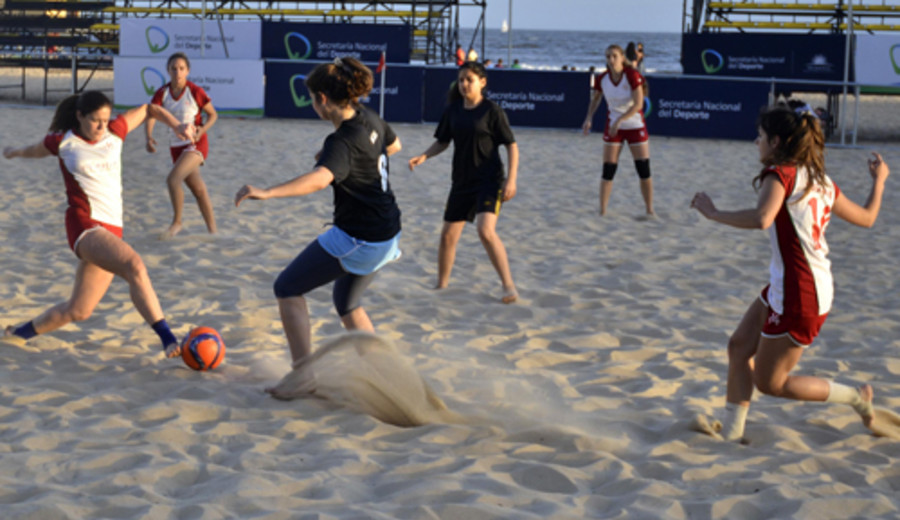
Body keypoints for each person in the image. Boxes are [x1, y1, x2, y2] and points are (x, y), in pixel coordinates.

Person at [690, 105, 890, 442]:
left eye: (762, 137)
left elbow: (761, 218)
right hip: (796, 284)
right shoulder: (821, 180)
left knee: (772, 383)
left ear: (778, 141)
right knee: (739, 347)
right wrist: (879, 181)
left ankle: (857, 398)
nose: (757, 142)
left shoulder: (779, 174)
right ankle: (732, 435)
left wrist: (713, 213)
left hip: (801, 293)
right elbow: (868, 217)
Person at [234, 57, 403, 395]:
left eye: (312, 98)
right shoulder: (369, 116)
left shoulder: (340, 142)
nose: (312, 104)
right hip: (389, 231)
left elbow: (318, 181)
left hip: (362, 238)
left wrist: (267, 192)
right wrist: (347, 160)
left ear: (323, 99)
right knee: (347, 302)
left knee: (286, 287)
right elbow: (393, 146)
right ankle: (387, 375)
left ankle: (303, 376)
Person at [2, 91, 193, 357]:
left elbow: (150, 108)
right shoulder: (63, 142)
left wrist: (176, 125)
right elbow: (33, 150)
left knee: (79, 310)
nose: (102, 127)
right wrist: (12, 152)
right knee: (134, 265)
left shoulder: (115, 131)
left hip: (111, 230)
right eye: (95, 121)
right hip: (84, 226)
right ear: (79, 116)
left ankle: (18, 334)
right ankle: (168, 338)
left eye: (105, 119)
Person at [408, 61, 520, 303]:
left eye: (469, 79)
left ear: (482, 82)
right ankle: (441, 285)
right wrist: (424, 156)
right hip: (461, 181)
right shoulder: (453, 110)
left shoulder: (492, 110)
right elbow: (443, 141)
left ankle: (508, 285)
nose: (464, 84)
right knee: (448, 235)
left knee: (485, 231)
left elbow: (511, 145)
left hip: (489, 180)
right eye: (461, 80)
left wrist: (511, 179)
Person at [146, 52, 218, 240]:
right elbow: (152, 113)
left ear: (188, 71)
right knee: (199, 190)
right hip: (176, 146)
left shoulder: (194, 91)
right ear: (168, 71)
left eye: (181, 68)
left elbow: (213, 115)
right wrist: (148, 137)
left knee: (172, 180)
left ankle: (177, 223)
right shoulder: (163, 93)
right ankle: (213, 232)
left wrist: (201, 131)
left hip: (195, 143)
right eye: (173, 68)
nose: (177, 72)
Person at [582, 44, 654, 217]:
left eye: (614, 56)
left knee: (643, 169)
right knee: (608, 170)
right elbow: (596, 99)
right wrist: (589, 118)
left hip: (635, 126)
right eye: (608, 57)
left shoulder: (632, 75)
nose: (611, 60)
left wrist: (621, 120)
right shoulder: (603, 78)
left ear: (622, 57)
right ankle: (602, 211)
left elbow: (638, 104)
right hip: (614, 128)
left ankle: (649, 210)